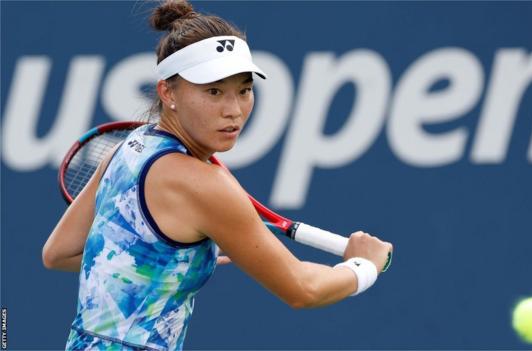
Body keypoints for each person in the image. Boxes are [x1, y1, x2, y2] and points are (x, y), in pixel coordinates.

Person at [42, 1, 393, 350]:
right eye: (213, 91)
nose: (234, 110)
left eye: (244, 90)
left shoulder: (128, 147)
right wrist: (364, 266)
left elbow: (59, 253)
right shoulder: (205, 185)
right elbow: (304, 289)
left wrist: (171, 261)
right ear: (168, 92)